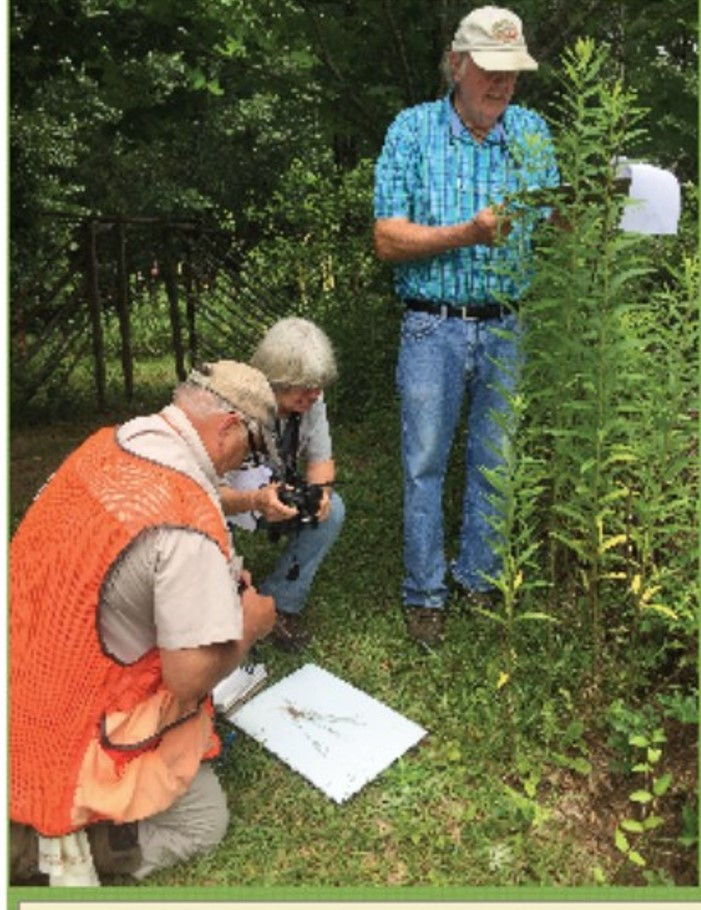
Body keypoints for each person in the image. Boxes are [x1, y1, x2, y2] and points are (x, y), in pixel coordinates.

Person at [9, 361, 278, 885]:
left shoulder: (107, 446)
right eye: (253, 447)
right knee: (204, 817)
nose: (247, 462)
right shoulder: (186, 516)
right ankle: (44, 855)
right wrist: (248, 626)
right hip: (66, 735)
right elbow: (187, 679)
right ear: (227, 427)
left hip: (20, 672)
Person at [373, 6, 559, 647]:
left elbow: (560, 225)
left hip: (509, 326)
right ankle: (425, 593)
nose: (504, 84)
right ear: (457, 64)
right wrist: (467, 234)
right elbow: (387, 238)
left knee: (496, 461)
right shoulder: (412, 131)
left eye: (514, 72)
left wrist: (600, 204)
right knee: (425, 461)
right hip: (433, 328)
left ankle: (480, 579)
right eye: (492, 69)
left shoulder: (533, 134)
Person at [220, 318, 345, 653]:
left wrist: (319, 495)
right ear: (275, 379)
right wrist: (254, 500)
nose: (315, 393)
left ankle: (279, 604)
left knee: (332, 513)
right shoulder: (233, 407)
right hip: (222, 502)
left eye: (318, 384)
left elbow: (321, 459)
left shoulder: (312, 403)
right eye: (305, 386)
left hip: (268, 492)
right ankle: (226, 608)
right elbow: (203, 494)